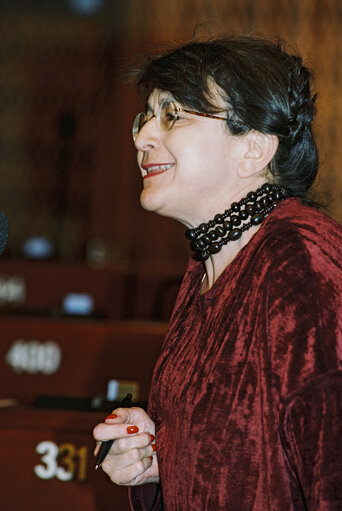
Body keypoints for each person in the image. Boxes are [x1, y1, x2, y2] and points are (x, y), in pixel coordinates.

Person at [93, 35, 342, 510]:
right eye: (146, 116)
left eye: (173, 115)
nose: (144, 136)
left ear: (253, 148)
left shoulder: (303, 261)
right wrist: (156, 461)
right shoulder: (209, 267)